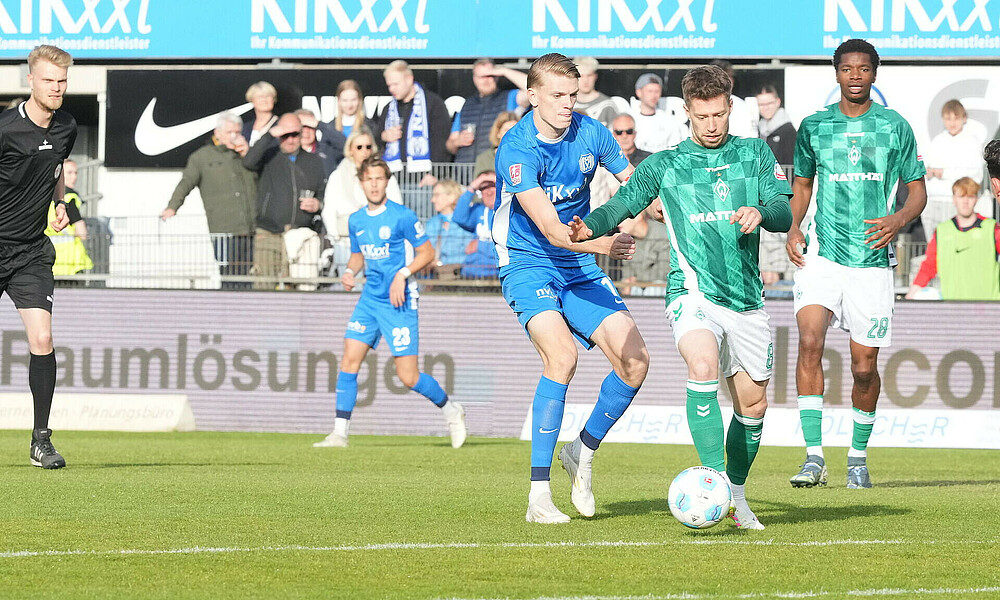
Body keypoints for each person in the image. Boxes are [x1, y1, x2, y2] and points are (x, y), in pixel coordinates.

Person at [574, 65, 793, 530]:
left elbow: (783, 210)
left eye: (718, 115)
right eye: (701, 116)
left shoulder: (754, 154)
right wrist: (588, 227)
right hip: (691, 290)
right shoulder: (665, 164)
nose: (711, 125)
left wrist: (761, 209)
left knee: (753, 407)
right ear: (686, 113)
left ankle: (735, 494)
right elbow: (621, 205)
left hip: (746, 297)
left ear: (730, 108)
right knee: (701, 366)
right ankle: (712, 480)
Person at [493, 53, 649, 524]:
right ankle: (538, 496)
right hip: (528, 262)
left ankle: (581, 451)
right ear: (532, 95)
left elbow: (635, 184)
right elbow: (551, 230)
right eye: (557, 96)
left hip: (578, 264)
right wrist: (608, 241)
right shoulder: (516, 147)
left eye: (572, 95)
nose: (566, 104)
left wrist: (662, 206)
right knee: (562, 357)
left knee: (636, 362)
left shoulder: (593, 132)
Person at [786, 39, 927, 490]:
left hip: (871, 261)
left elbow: (917, 191)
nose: (855, 76)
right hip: (822, 255)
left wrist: (899, 218)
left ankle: (857, 458)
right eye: (847, 68)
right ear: (836, 74)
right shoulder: (813, 127)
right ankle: (812, 457)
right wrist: (793, 227)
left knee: (864, 366)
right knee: (809, 341)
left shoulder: (894, 126)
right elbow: (802, 187)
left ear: (874, 74)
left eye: (863, 68)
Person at [314, 157, 467, 448]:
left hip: (400, 300)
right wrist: (348, 271)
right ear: (361, 183)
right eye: (368, 178)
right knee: (349, 359)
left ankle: (451, 411)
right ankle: (339, 433)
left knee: (408, 376)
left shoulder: (402, 216)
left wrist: (403, 273)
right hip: (370, 299)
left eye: (379, 178)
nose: (374, 184)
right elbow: (359, 255)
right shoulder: (356, 220)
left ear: (387, 182)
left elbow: (427, 252)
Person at [0, 45, 77, 469]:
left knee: (43, 340)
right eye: (49, 80)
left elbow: (58, 166)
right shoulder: (6, 128)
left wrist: (60, 202)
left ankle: (41, 441)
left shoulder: (67, 125)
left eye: (62, 81)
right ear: (30, 80)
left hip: (31, 251)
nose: (57, 88)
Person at [162, 111, 257, 289]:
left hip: (252, 228)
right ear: (218, 133)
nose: (235, 137)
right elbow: (186, 183)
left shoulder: (247, 156)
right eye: (230, 132)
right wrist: (172, 207)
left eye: (238, 132)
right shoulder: (202, 157)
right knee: (229, 276)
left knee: (251, 277)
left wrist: (249, 156)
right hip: (224, 229)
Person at [243, 113, 327, 290]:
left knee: (301, 292)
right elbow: (248, 162)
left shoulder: (315, 161)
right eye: (285, 135)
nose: (290, 140)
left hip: (300, 235)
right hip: (269, 234)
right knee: (264, 288)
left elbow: (322, 194)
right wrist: (269, 135)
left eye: (294, 134)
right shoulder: (268, 156)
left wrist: (318, 204)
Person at [322, 130, 403, 277]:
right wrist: (335, 239)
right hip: (346, 239)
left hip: (379, 238)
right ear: (351, 150)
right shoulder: (338, 175)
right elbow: (329, 210)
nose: (364, 151)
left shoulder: (384, 173)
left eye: (368, 146)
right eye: (359, 147)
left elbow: (396, 205)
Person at [906, 177, 1000, 300]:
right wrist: (913, 291)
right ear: (954, 199)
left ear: (976, 199)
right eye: (961, 197)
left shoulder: (992, 229)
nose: (965, 202)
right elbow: (929, 266)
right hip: (954, 310)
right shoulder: (942, 231)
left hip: (988, 308)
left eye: (970, 197)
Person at [923, 100, 988, 241]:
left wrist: (944, 173)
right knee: (933, 246)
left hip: (954, 202)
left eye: (956, 118)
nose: (952, 123)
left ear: (964, 118)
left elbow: (976, 174)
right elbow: (927, 167)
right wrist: (928, 172)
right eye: (948, 118)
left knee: (955, 245)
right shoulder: (937, 141)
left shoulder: (971, 142)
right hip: (933, 201)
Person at [375, 60, 452, 173]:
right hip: (393, 176)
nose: (391, 89)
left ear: (409, 79)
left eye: (395, 84)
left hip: (424, 176)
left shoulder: (433, 103)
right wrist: (383, 136)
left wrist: (434, 174)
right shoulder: (388, 108)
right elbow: (376, 140)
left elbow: (441, 141)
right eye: (389, 85)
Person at [447, 59, 527, 163]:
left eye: (490, 75)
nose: (486, 80)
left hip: (494, 169)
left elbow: (534, 89)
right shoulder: (467, 105)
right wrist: (458, 141)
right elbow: (450, 145)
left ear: (497, 77)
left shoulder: (510, 97)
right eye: (482, 76)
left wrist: (504, 71)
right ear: (474, 79)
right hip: (465, 172)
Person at [46, 158, 92, 277]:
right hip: (70, 264)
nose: (74, 177)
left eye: (76, 173)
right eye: (69, 173)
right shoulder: (70, 198)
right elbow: (82, 233)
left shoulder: (44, 196)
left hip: (48, 260)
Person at [424, 179, 475, 279]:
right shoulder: (432, 223)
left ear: (451, 197)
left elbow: (469, 252)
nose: (432, 200)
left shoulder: (465, 222)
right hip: (436, 276)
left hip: (462, 276)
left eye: (437, 195)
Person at [452, 170, 499, 279]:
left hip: (497, 273)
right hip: (473, 272)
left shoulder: (509, 211)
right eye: (483, 188)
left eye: (492, 186)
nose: (489, 192)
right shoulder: (478, 210)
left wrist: (481, 245)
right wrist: (472, 188)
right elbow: (458, 217)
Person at [630, 73, 686, 154]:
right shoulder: (629, 119)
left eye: (657, 91)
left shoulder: (668, 120)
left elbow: (675, 150)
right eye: (650, 91)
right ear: (639, 92)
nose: (654, 95)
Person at [295, 108, 346, 177]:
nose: (306, 131)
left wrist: (319, 124)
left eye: (310, 126)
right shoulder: (287, 153)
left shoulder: (327, 150)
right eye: (302, 127)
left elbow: (347, 146)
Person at [473, 111, 519, 184]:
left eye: (515, 130)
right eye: (506, 130)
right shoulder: (484, 158)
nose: (511, 134)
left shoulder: (525, 155)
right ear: (498, 133)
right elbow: (478, 188)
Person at [756, 85, 796, 167]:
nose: (765, 108)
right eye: (761, 104)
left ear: (778, 102)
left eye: (769, 103)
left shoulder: (788, 130)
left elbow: (791, 165)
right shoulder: (757, 129)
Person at [572, 57, 619, 126]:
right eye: (581, 76)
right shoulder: (567, 103)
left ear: (595, 76)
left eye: (589, 75)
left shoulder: (608, 105)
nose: (585, 80)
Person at [242, 81, 278, 147]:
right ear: (252, 100)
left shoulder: (280, 124)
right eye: (260, 97)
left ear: (273, 99)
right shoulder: (245, 128)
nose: (264, 100)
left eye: (268, 96)